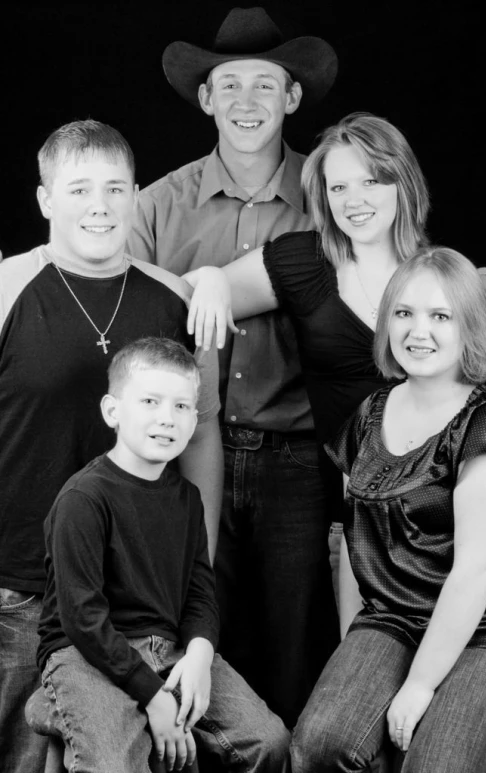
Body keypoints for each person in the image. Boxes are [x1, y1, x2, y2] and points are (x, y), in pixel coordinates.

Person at [184, 111, 486, 618]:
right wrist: (209, 277)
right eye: (338, 188)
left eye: (371, 182)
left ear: (402, 183)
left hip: (436, 520)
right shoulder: (304, 260)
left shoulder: (442, 277)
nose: (353, 201)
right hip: (345, 514)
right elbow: (189, 297)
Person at [127, 6, 340, 727]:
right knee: (183, 633)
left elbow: (407, 275)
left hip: (297, 458)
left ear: (292, 98)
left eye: (265, 84)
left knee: (290, 649)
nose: (246, 101)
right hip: (186, 453)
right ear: (207, 98)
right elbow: (94, 285)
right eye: (230, 84)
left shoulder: (334, 198)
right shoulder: (156, 207)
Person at [0, 119, 221, 773]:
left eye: (115, 188)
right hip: (16, 585)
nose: (99, 204)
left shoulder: (177, 298)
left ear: (135, 197)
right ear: (45, 200)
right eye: (79, 189)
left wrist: (201, 556)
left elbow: (202, 430)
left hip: (135, 598)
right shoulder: (9, 290)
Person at [289, 246, 486, 773]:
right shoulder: (370, 414)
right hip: (395, 618)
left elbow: (478, 570)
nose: (418, 331)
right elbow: (356, 543)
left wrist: (420, 684)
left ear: (470, 326)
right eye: (404, 313)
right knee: (322, 744)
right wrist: (354, 647)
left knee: (436, 765)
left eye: (440, 316)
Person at [36, 337, 290, 773]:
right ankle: (52, 704)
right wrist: (153, 697)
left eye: (181, 407)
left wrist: (199, 657)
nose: (166, 419)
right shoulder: (84, 498)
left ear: (195, 420)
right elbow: (82, 617)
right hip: (86, 652)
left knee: (269, 741)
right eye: (150, 401)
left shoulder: (187, 499)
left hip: (169, 648)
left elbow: (200, 596)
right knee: (114, 762)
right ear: (113, 411)